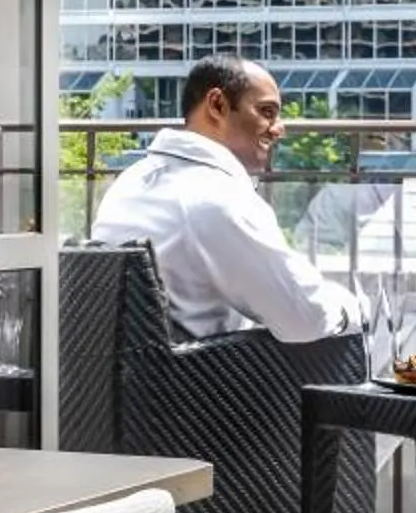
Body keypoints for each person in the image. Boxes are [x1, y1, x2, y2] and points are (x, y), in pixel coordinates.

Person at [90, 55, 370, 345]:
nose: (279, 129)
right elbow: (304, 319)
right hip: (215, 371)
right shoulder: (216, 198)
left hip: (139, 367)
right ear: (217, 105)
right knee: (344, 331)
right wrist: (352, 310)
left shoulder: (129, 182)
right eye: (267, 112)